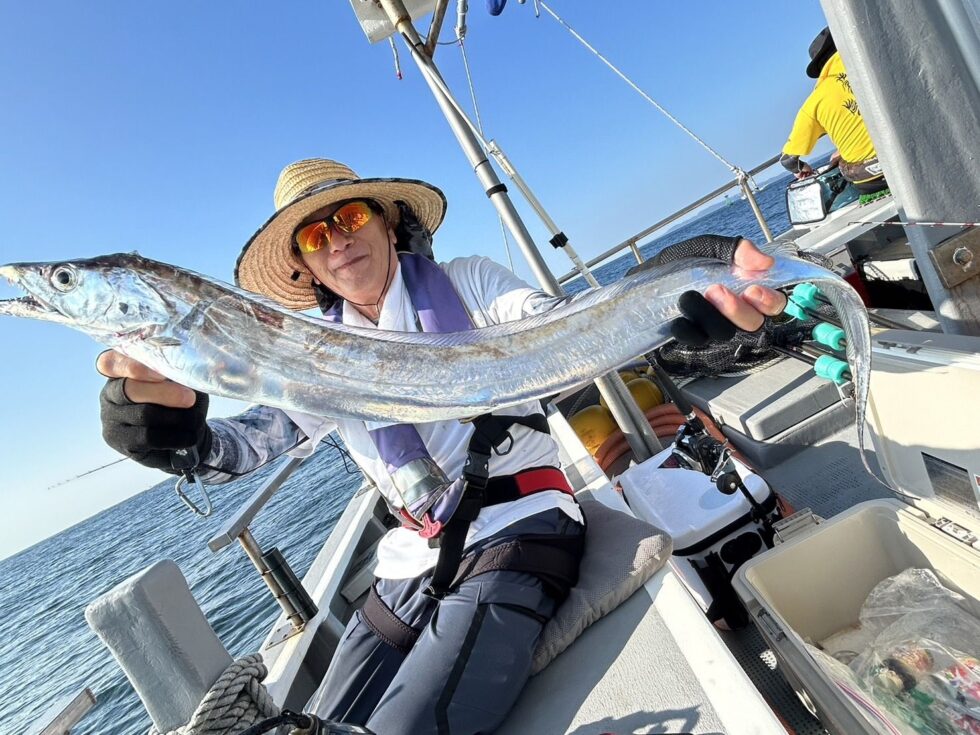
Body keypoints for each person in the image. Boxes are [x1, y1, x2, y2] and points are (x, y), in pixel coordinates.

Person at [96, 158, 786, 734]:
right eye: (313, 235)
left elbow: (561, 330)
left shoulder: (473, 283)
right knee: (317, 721)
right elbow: (237, 451)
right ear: (305, 266)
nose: (336, 240)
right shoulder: (311, 357)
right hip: (408, 563)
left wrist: (672, 299)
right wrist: (165, 427)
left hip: (523, 526)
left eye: (349, 217)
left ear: (387, 221)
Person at [779, 27, 888, 194]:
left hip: (870, 179)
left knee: (841, 162)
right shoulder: (874, 65)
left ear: (820, 67)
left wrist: (802, 167)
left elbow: (788, 160)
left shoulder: (814, 103)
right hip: (906, 154)